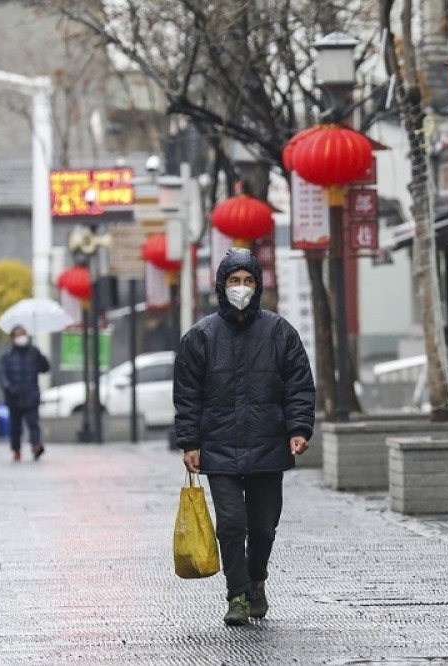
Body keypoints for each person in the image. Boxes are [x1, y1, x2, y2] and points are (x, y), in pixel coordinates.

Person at [173, 247, 315, 626]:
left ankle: (257, 581)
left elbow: (299, 386)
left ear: (259, 285)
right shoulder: (200, 337)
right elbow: (187, 395)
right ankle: (237, 594)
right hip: (219, 448)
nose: (241, 287)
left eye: (248, 280)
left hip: (268, 444)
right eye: (234, 281)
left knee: (264, 526)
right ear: (222, 285)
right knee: (232, 524)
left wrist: (299, 429)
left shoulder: (280, 332)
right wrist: (190, 442)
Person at [0, 325, 51, 462]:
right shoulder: (7, 355)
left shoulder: (33, 352)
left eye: (24, 334)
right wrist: (8, 387)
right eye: (18, 335)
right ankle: (16, 449)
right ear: (12, 337)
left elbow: (44, 368)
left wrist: (41, 357)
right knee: (15, 426)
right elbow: (2, 374)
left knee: (33, 424)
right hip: (14, 396)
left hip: (31, 395)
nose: (22, 337)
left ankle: (36, 446)